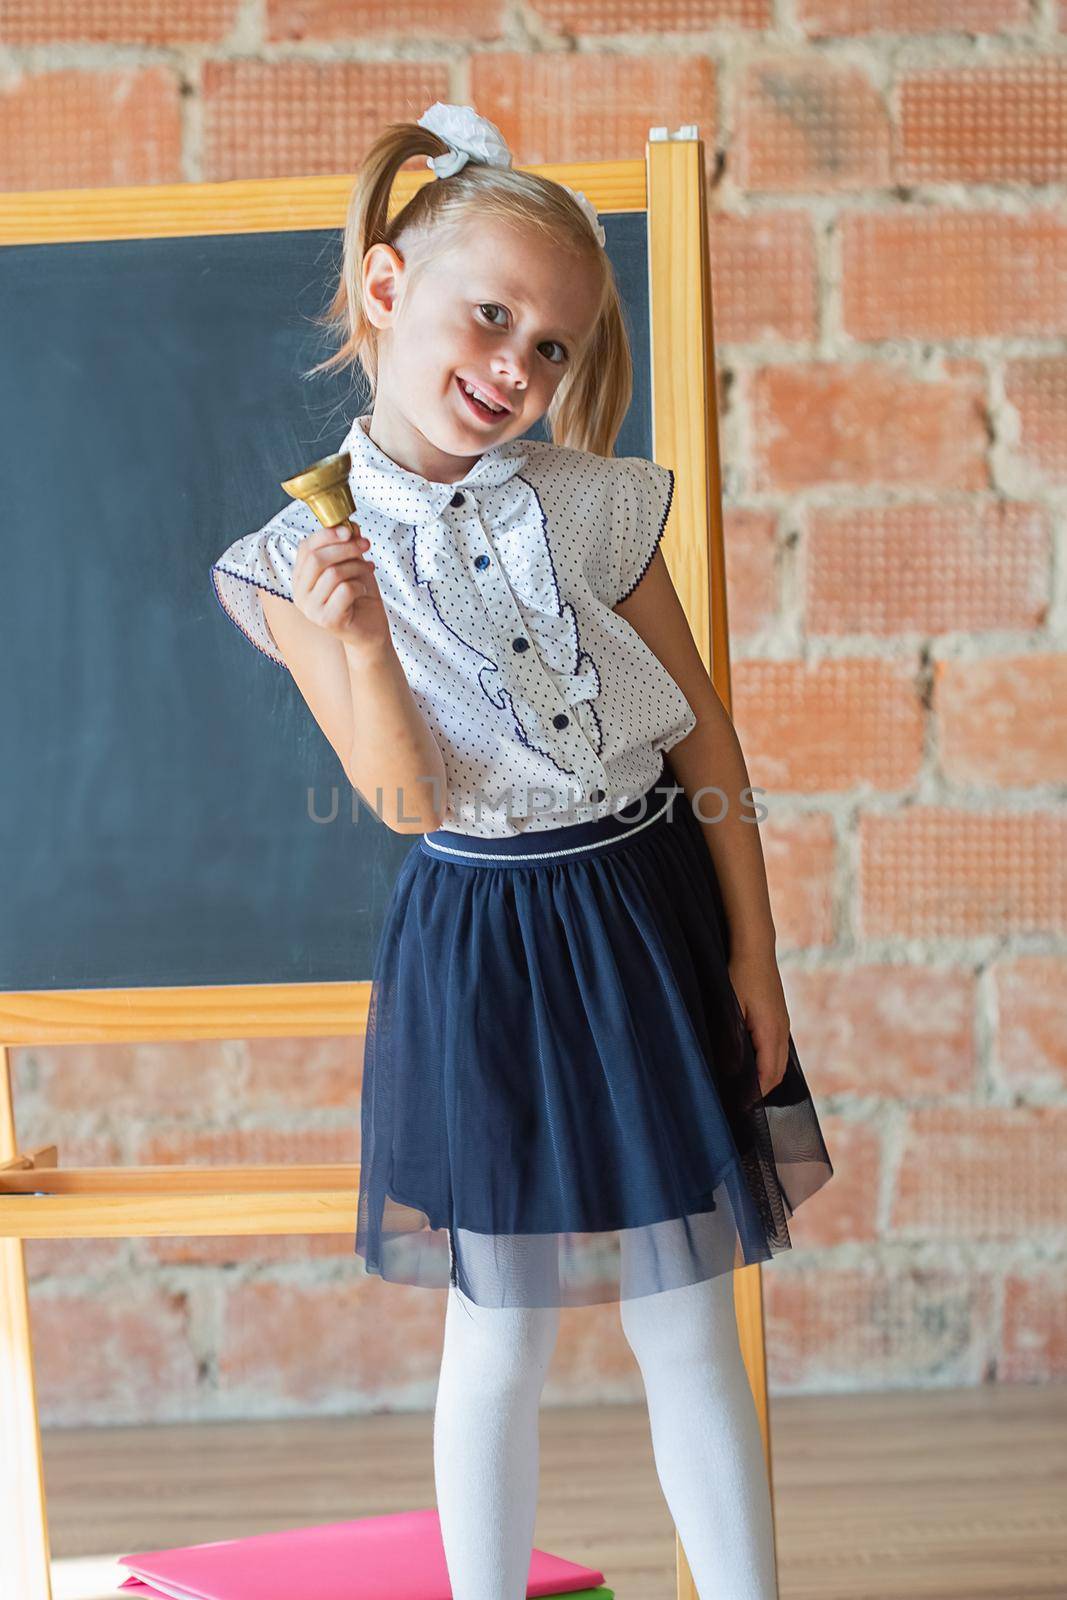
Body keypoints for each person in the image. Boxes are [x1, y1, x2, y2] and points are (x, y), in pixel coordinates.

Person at [210, 101, 834, 1600]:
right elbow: (410, 804)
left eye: (551, 345)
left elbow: (703, 742)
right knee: (495, 1327)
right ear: (385, 292)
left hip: (642, 908)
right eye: (492, 316)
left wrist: (756, 959)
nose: (518, 368)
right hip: (482, 944)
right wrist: (358, 646)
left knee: (687, 1309)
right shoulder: (287, 567)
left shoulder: (598, 505)